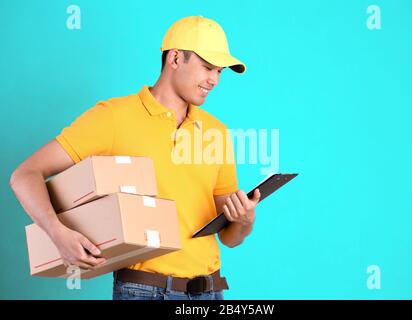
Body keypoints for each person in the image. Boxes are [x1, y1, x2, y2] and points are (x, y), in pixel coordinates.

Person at [9, 15, 260, 300]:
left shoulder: (217, 132)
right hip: (145, 291)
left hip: (210, 292)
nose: (214, 80)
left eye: (220, 71)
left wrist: (245, 220)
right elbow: (24, 175)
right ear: (176, 58)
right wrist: (58, 233)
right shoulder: (114, 118)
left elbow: (230, 239)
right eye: (208, 67)